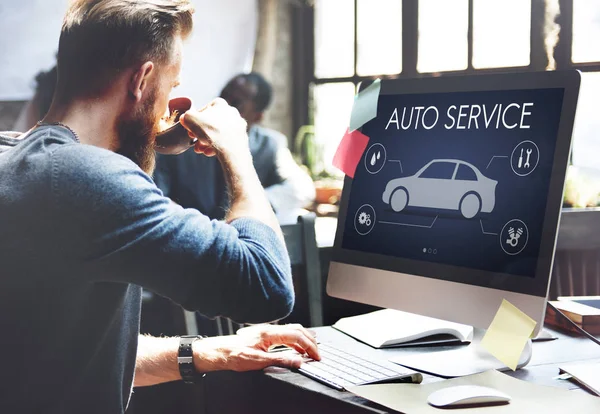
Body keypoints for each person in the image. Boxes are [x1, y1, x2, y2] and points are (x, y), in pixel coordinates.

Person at [0, 1, 319, 413]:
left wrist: (214, 351)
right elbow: (267, 285)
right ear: (142, 79)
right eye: (171, 86)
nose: (169, 105)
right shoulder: (88, 178)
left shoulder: (16, 157)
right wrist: (236, 151)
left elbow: (64, 354)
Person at [154, 72, 315, 223]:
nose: (224, 105)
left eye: (236, 103)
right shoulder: (182, 140)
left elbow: (302, 188)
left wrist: (251, 205)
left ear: (257, 116)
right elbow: (157, 195)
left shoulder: (270, 145)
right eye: (223, 96)